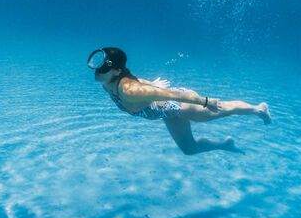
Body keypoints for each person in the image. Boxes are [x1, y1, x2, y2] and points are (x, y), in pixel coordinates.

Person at [87, 47, 271, 155]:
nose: (97, 71)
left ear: (117, 71)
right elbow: (135, 79)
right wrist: (151, 84)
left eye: (103, 68)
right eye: (97, 67)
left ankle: (259, 109)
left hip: (181, 105)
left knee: (225, 109)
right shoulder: (108, 82)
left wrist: (205, 101)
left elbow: (174, 96)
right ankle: (225, 145)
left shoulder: (130, 91)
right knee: (189, 149)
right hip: (168, 112)